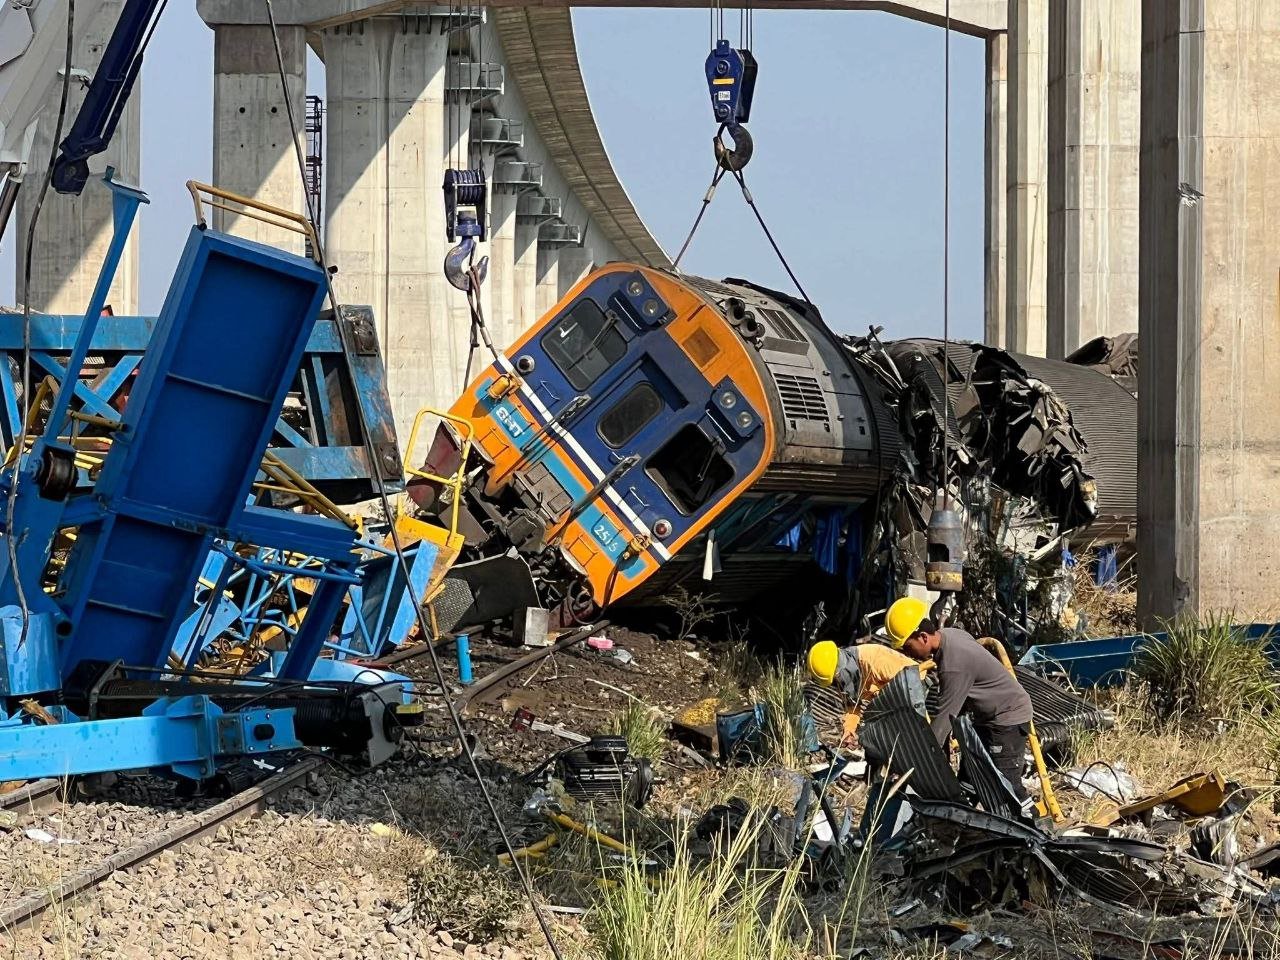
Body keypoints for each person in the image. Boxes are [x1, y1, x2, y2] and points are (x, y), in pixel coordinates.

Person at [885, 596, 1034, 802]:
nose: (907, 653)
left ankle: (1033, 820)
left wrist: (916, 762)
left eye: (907, 647)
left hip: (1007, 718)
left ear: (923, 637)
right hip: (986, 717)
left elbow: (944, 720)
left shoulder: (954, 664)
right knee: (969, 779)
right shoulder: (950, 634)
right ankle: (965, 818)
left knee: (1007, 787)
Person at [806, 638, 929, 743]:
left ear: (838, 669)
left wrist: (923, 729)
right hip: (890, 697)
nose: (837, 683)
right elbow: (853, 705)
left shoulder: (875, 660)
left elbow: (910, 685)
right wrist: (849, 730)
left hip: (915, 684)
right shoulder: (844, 674)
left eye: (835, 678)